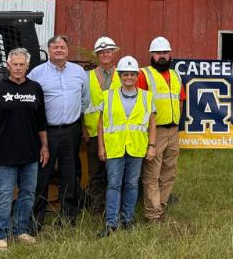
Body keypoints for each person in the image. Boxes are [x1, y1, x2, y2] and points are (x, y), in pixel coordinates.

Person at [0, 48, 49, 251]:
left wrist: (44, 146)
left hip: (30, 153)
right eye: (15, 64)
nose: (18, 68)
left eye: (22, 64)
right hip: (4, 153)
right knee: (4, 195)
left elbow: (41, 122)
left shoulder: (35, 88)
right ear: (8, 66)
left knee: (28, 194)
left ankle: (21, 230)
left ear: (27, 67)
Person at [28, 35, 87, 232]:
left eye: (62, 47)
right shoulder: (37, 73)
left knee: (69, 175)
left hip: (71, 131)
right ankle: (36, 221)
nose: (59, 50)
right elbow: (30, 100)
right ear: (49, 50)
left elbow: (85, 100)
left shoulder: (79, 72)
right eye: (55, 47)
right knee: (42, 176)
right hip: (47, 132)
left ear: (68, 50)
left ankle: (68, 219)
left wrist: (76, 117)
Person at [97, 56, 157, 236]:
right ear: (120, 76)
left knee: (131, 184)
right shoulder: (108, 95)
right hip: (114, 148)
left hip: (137, 148)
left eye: (132, 74)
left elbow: (152, 124)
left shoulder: (147, 97)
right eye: (125, 74)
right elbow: (101, 124)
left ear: (137, 76)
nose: (128, 78)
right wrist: (101, 147)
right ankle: (111, 223)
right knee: (114, 184)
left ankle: (128, 220)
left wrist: (152, 146)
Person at [138, 36, 185, 222]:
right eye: (158, 53)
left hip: (173, 131)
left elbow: (180, 101)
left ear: (170, 54)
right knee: (152, 175)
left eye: (165, 52)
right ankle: (152, 214)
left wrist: (177, 126)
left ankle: (161, 208)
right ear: (151, 55)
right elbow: (138, 105)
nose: (162, 56)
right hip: (154, 132)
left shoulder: (176, 75)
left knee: (168, 173)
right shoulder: (144, 75)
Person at [82, 36, 121, 215]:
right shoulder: (87, 77)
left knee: (115, 173)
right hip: (92, 133)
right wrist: (83, 129)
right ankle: (97, 208)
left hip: (117, 133)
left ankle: (114, 208)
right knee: (96, 173)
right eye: (102, 52)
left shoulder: (123, 75)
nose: (105, 54)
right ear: (97, 54)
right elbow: (81, 105)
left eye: (108, 51)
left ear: (113, 53)